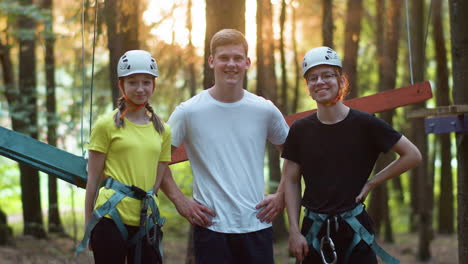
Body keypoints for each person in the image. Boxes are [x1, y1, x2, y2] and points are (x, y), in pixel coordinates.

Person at [160, 29, 290, 264]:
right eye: (224, 58)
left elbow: (293, 155)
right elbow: (158, 159)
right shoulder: (189, 111)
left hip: (257, 225)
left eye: (237, 58)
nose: (231, 64)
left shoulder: (264, 110)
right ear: (211, 61)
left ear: (247, 62)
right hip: (211, 228)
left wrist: (281, 195)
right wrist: (180, 200)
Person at [282, 46, 422, 264]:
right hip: (314, 232)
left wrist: (372, 183)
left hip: (355, 230)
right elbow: (290, 180)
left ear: (341, 81)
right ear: (308, 87)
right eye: (313, 78)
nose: (319, 82)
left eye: (327, 75)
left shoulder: (365, 124)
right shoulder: (300, 130)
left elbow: (412, 155)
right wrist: (293, 230)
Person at [76, 50, 171, 264]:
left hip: (146, 220)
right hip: (110, 217)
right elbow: (93, 179)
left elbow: (156, 182)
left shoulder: (163, 131)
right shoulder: (105, 125)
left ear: (153, 85)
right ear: (122, 85)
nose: (140, 88)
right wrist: (88, 225)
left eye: (146, 82)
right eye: (133, 82)